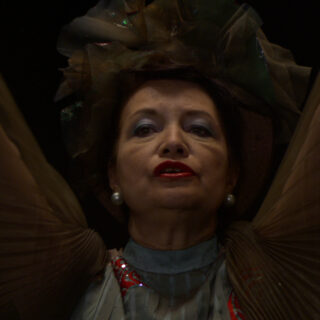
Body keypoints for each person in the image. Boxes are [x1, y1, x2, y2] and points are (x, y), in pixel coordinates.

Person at [0, 0, 319, 319]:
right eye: (144, 129)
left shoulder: (275, 276)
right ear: (113, 175)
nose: (173, 142)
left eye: (199, 129)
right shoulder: (62, 281)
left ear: (232, 174)